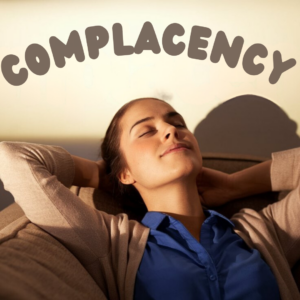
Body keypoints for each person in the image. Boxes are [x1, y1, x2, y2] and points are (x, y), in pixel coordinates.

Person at [0, 97, 300, 300]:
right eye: (146, 131)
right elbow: (13, 158)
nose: (171, 130)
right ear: (125, 173)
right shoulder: (110, 241)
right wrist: (103, 174)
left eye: (178, 123)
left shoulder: (266, 231)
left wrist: (236, 185)